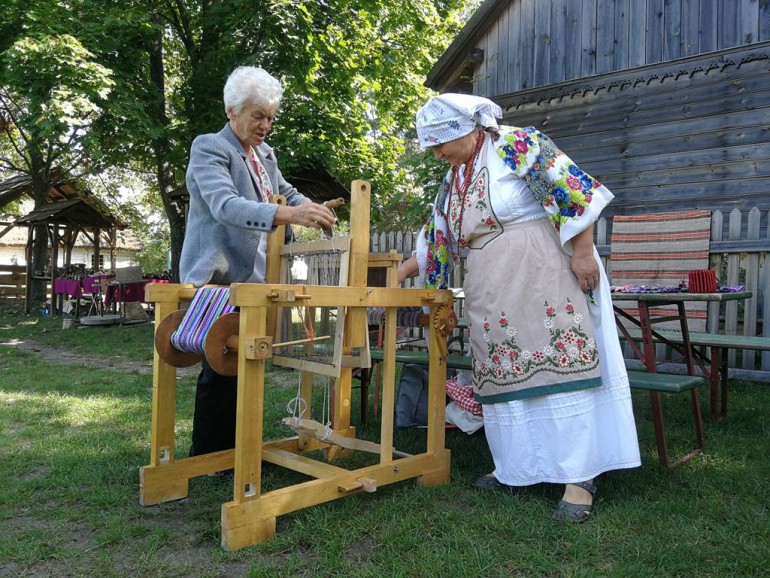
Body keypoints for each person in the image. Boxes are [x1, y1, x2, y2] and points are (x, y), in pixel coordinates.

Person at [398, 93, 641, 522]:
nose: (436, 154)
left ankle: (579, 478)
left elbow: (573, 192)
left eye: (438, 144)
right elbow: (437, 241)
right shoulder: (453, 178)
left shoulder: (517, 144)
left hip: (543, 274)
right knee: (504, 375)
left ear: (466, 132)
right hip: (492, 291)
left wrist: (583, 253)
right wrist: (429, 292)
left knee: (561, 369)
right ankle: (518, 468)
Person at [180, 66, 336, 457]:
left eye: (270, 117)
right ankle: (208, 456)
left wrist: (310, 207)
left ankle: (238, 449)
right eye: (257, 116)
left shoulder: (264, 153)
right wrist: (288, 215)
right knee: (220, 364)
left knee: (248, 364)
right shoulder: (210, 148)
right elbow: (224, 205)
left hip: (259, 277)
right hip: (220, 274)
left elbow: (285, 192)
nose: (265, 125)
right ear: (232, 111)